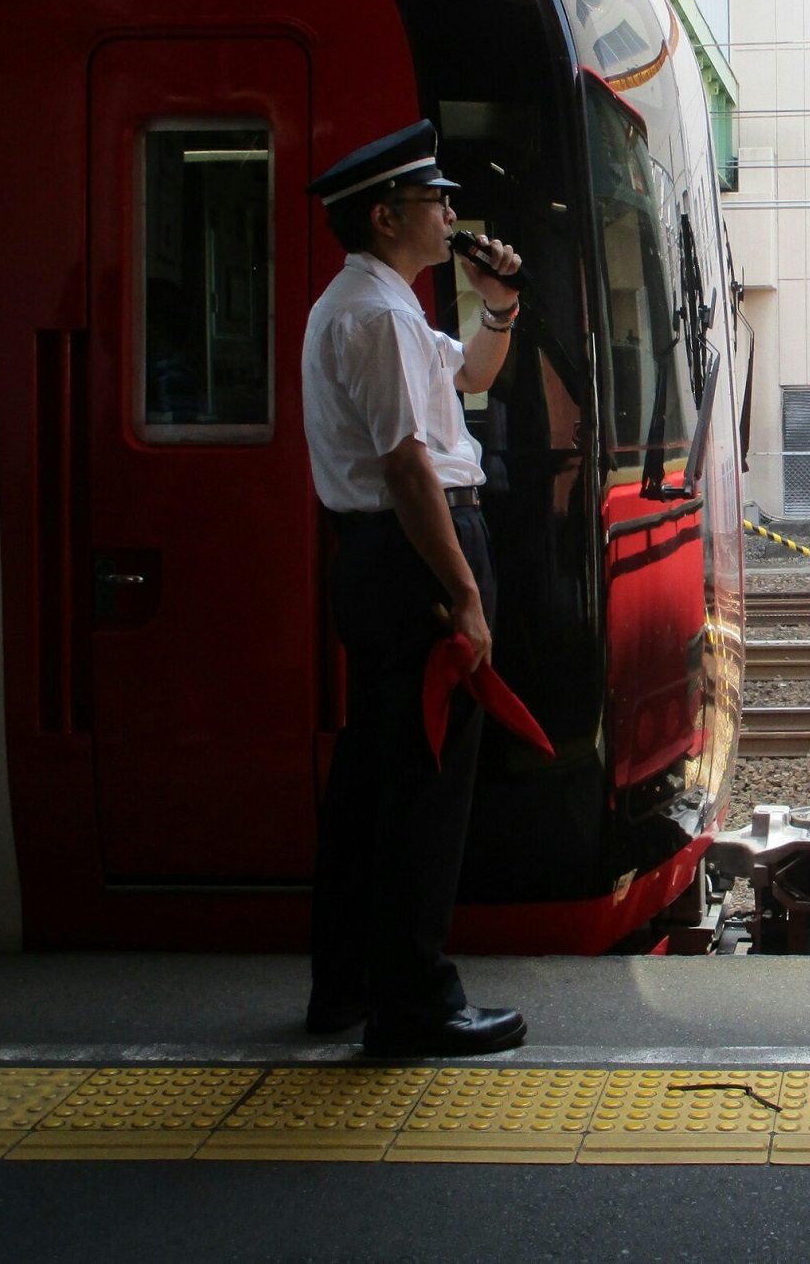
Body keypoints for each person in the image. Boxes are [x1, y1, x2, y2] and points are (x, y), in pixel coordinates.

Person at [301, 119, 529, 1055]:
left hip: (378, 559)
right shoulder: (382, 316)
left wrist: (498, 307)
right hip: (416, 556)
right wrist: (466, 594)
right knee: (427, 785)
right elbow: (407, 468)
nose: (450, 213)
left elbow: (469, 374)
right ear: (389, 214)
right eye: (436, 200)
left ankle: (347, 986)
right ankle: (416, 1004)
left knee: (375, 777)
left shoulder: (367, 302)